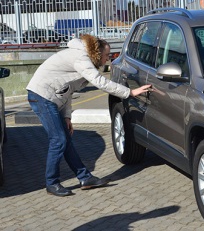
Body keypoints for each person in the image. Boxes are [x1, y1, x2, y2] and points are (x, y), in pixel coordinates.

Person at [26, 34, 151, 197]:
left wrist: (66, 116)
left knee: (65, 141)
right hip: (42, 96)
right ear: (97, 53)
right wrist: (130, 92)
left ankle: (85, 178)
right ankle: (51, 183)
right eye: (107, 55)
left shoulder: (82, 57)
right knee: (59, 140)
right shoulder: (81, 57)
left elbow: (67, 89)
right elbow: (100, 82)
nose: (108, 59)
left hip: (51, 97)